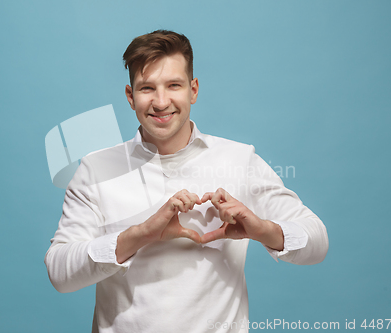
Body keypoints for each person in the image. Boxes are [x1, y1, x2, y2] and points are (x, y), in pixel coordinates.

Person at [44, 30, 329, 333]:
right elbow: (60, 273)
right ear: (130, 96)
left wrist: (262, 229)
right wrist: (140, 235)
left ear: (193, 90)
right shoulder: (96, 169)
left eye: (174, 85)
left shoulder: (239, 160)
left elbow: (317, 242)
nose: (161, 101)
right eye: (147, 88)